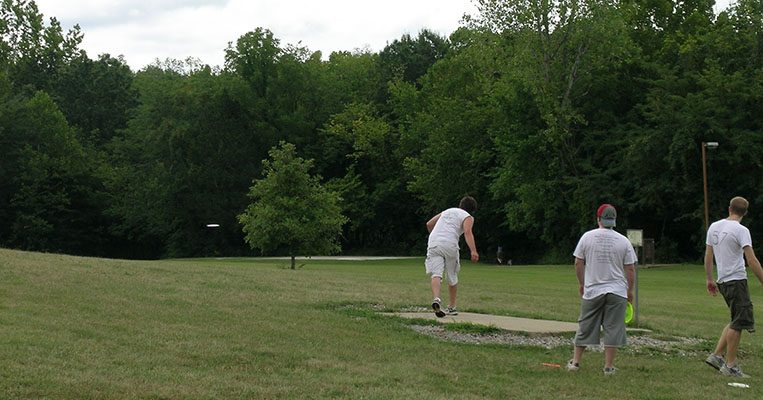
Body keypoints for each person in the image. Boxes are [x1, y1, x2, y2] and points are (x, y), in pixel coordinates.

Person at [567, 204, 636, 375]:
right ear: (614, 220)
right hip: (617, 291)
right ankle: (608, 367)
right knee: (613, 328)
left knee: (585, 325)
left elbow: (578, 262)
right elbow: (630, 268)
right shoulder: (623, 241)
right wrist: (629, 290)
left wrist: (582, 283)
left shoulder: (587, 237)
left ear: (598, 219)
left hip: (593, 290)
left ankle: (575, 362)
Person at [704, 196, 763, 378]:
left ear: (729, 208)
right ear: (744, 213)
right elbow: (751, 260)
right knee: (739, 322)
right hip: (737, 280)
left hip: (723, 281)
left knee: (735, 318)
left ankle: (716, 356)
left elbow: (708, 255)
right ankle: (730, 366)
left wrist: (710, 279)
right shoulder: (741, 230)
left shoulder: (714, 226)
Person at [425, 196, 479, 317]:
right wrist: (473, 251)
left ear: (460, 205)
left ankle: (436, 299)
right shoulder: (467, 217)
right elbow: (468, 232)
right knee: (452, 275)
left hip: (433, 242)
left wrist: (437, 237)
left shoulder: (447, 211)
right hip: (450, 244)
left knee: (436, 274)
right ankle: (452, 307)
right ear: (472, 210)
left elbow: (429, 224)